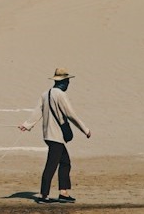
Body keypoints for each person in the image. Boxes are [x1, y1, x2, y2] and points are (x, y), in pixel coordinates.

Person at [18, 67, 92, 204]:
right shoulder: (60, 95)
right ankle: (43, 195)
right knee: (51, 165)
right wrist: (85, 129)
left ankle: (63, 193)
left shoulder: (45, 94)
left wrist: (27, 125)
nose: (68, 84)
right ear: (64, 82)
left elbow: (37, 112)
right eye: (68, 81)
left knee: (65, 162)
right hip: (56, 136)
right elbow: (71, 114)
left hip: (48, 135)